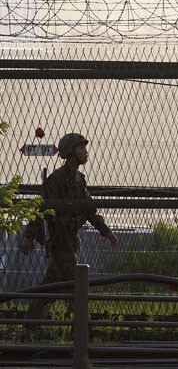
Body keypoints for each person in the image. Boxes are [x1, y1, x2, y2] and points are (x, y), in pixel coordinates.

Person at [19, 132, 118, 319]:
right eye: (81, 148)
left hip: (70, 241)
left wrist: (105, 231)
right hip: (59, 242)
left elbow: (89, 210)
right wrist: (29, 236)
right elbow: (41, 207)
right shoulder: (56, 180)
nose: (85, 152)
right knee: (74, 286)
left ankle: (32, 324)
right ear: (70, 152)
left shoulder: (79, 180)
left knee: (51, 286)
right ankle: (82, 328)